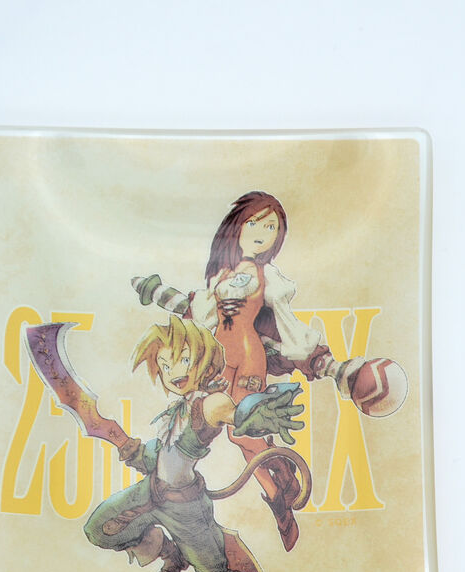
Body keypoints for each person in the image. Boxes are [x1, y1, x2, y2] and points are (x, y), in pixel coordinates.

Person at [133, 192, 355, 552]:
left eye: (271, 228)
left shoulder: (270, 277)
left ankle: (278, 498)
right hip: (220, 359)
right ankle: (279, 475)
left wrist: (310, 354)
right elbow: (202, 315)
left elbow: (285, 321)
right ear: (238, 226)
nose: (262, 233)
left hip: (250, 356)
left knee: (243, 432)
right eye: (255, 223)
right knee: (224, 425)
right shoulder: (220, 274)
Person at [83, 316, 305, 572]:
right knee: (100, 528)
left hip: (187, 509)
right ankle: (171, 555)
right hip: (151, 494)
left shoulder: (209, 403)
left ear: (204, 357)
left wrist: (255, 414)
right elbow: (162, 456)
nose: (174, 371)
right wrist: (130, 449)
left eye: (183, 359)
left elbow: (234, 414)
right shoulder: (176, 410)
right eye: (165, 364)